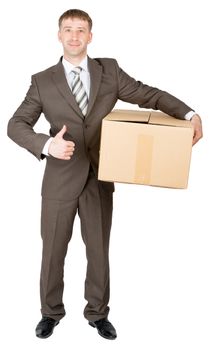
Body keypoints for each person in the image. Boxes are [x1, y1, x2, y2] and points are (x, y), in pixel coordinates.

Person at [7, 9, 202, 341]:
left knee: (98, 250)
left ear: (90, 36)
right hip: (59, 179)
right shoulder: (42, 80)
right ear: (59, 35)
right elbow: (16, 125)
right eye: (67, 30)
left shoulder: (108, 71)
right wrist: (45, 145)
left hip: (100, 177)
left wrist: (189, 112)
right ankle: (50, 313)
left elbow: (148, 94)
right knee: (53, 251)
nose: (73, 36)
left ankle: (97, 313)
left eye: (80, 30)